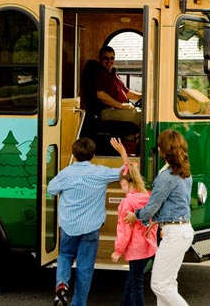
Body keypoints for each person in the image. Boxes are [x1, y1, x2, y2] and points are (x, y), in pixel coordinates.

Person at [48, 137, 127, 306]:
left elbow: (51, 189)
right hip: (91, 228)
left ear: (74, 154)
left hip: (68, 226)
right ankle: (79, 303)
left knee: (65, 255)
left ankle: (62, 284)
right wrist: (122, 152)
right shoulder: (101, 172)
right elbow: (125, 171)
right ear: (93, 154)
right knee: (85, 267)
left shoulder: (66, 173)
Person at [123, 129, 193, 306]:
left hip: (175, 233)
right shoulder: (185, 172)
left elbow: (152, 207)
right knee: (168, 283)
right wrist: (154, 220)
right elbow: (173, 205)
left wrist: (136, 216)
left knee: (159, 285)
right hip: (182, 230)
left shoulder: (166, 177)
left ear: (162, 151)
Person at [111, 149, 157, 306]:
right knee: (132, 280)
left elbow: (124, 230)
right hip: (148, 245)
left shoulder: (127, 203)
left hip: (135, 248)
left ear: (127, 182)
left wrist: (118, 250)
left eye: (122, 183)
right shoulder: (147, 197)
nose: (121, 186)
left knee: (136, 284)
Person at [96, 45, 142, 126]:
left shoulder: (113, 73)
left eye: (112, 58)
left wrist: (143, 96)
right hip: (108, 111)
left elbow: (126, 92)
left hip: (119, 109)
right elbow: (101, 95)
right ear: (99, 58)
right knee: (143, 117)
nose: (109, 61)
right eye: (106, 58)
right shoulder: (99, 72)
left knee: (144, 113)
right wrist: (121, 106)